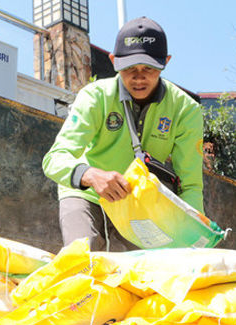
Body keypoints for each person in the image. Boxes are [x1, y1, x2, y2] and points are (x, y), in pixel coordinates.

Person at [42, 16, 204, 250]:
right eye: (129, 68)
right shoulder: (94, 97)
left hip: (138, 202)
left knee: (145, 273)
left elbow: (190, 185)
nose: (139, 77)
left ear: (165, 62)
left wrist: (193, 238)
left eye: (148, 68)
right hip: (87, 193)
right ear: (113, 60)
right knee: (82, 258)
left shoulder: (186, 110)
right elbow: (54, 159)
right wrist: (90, 175)